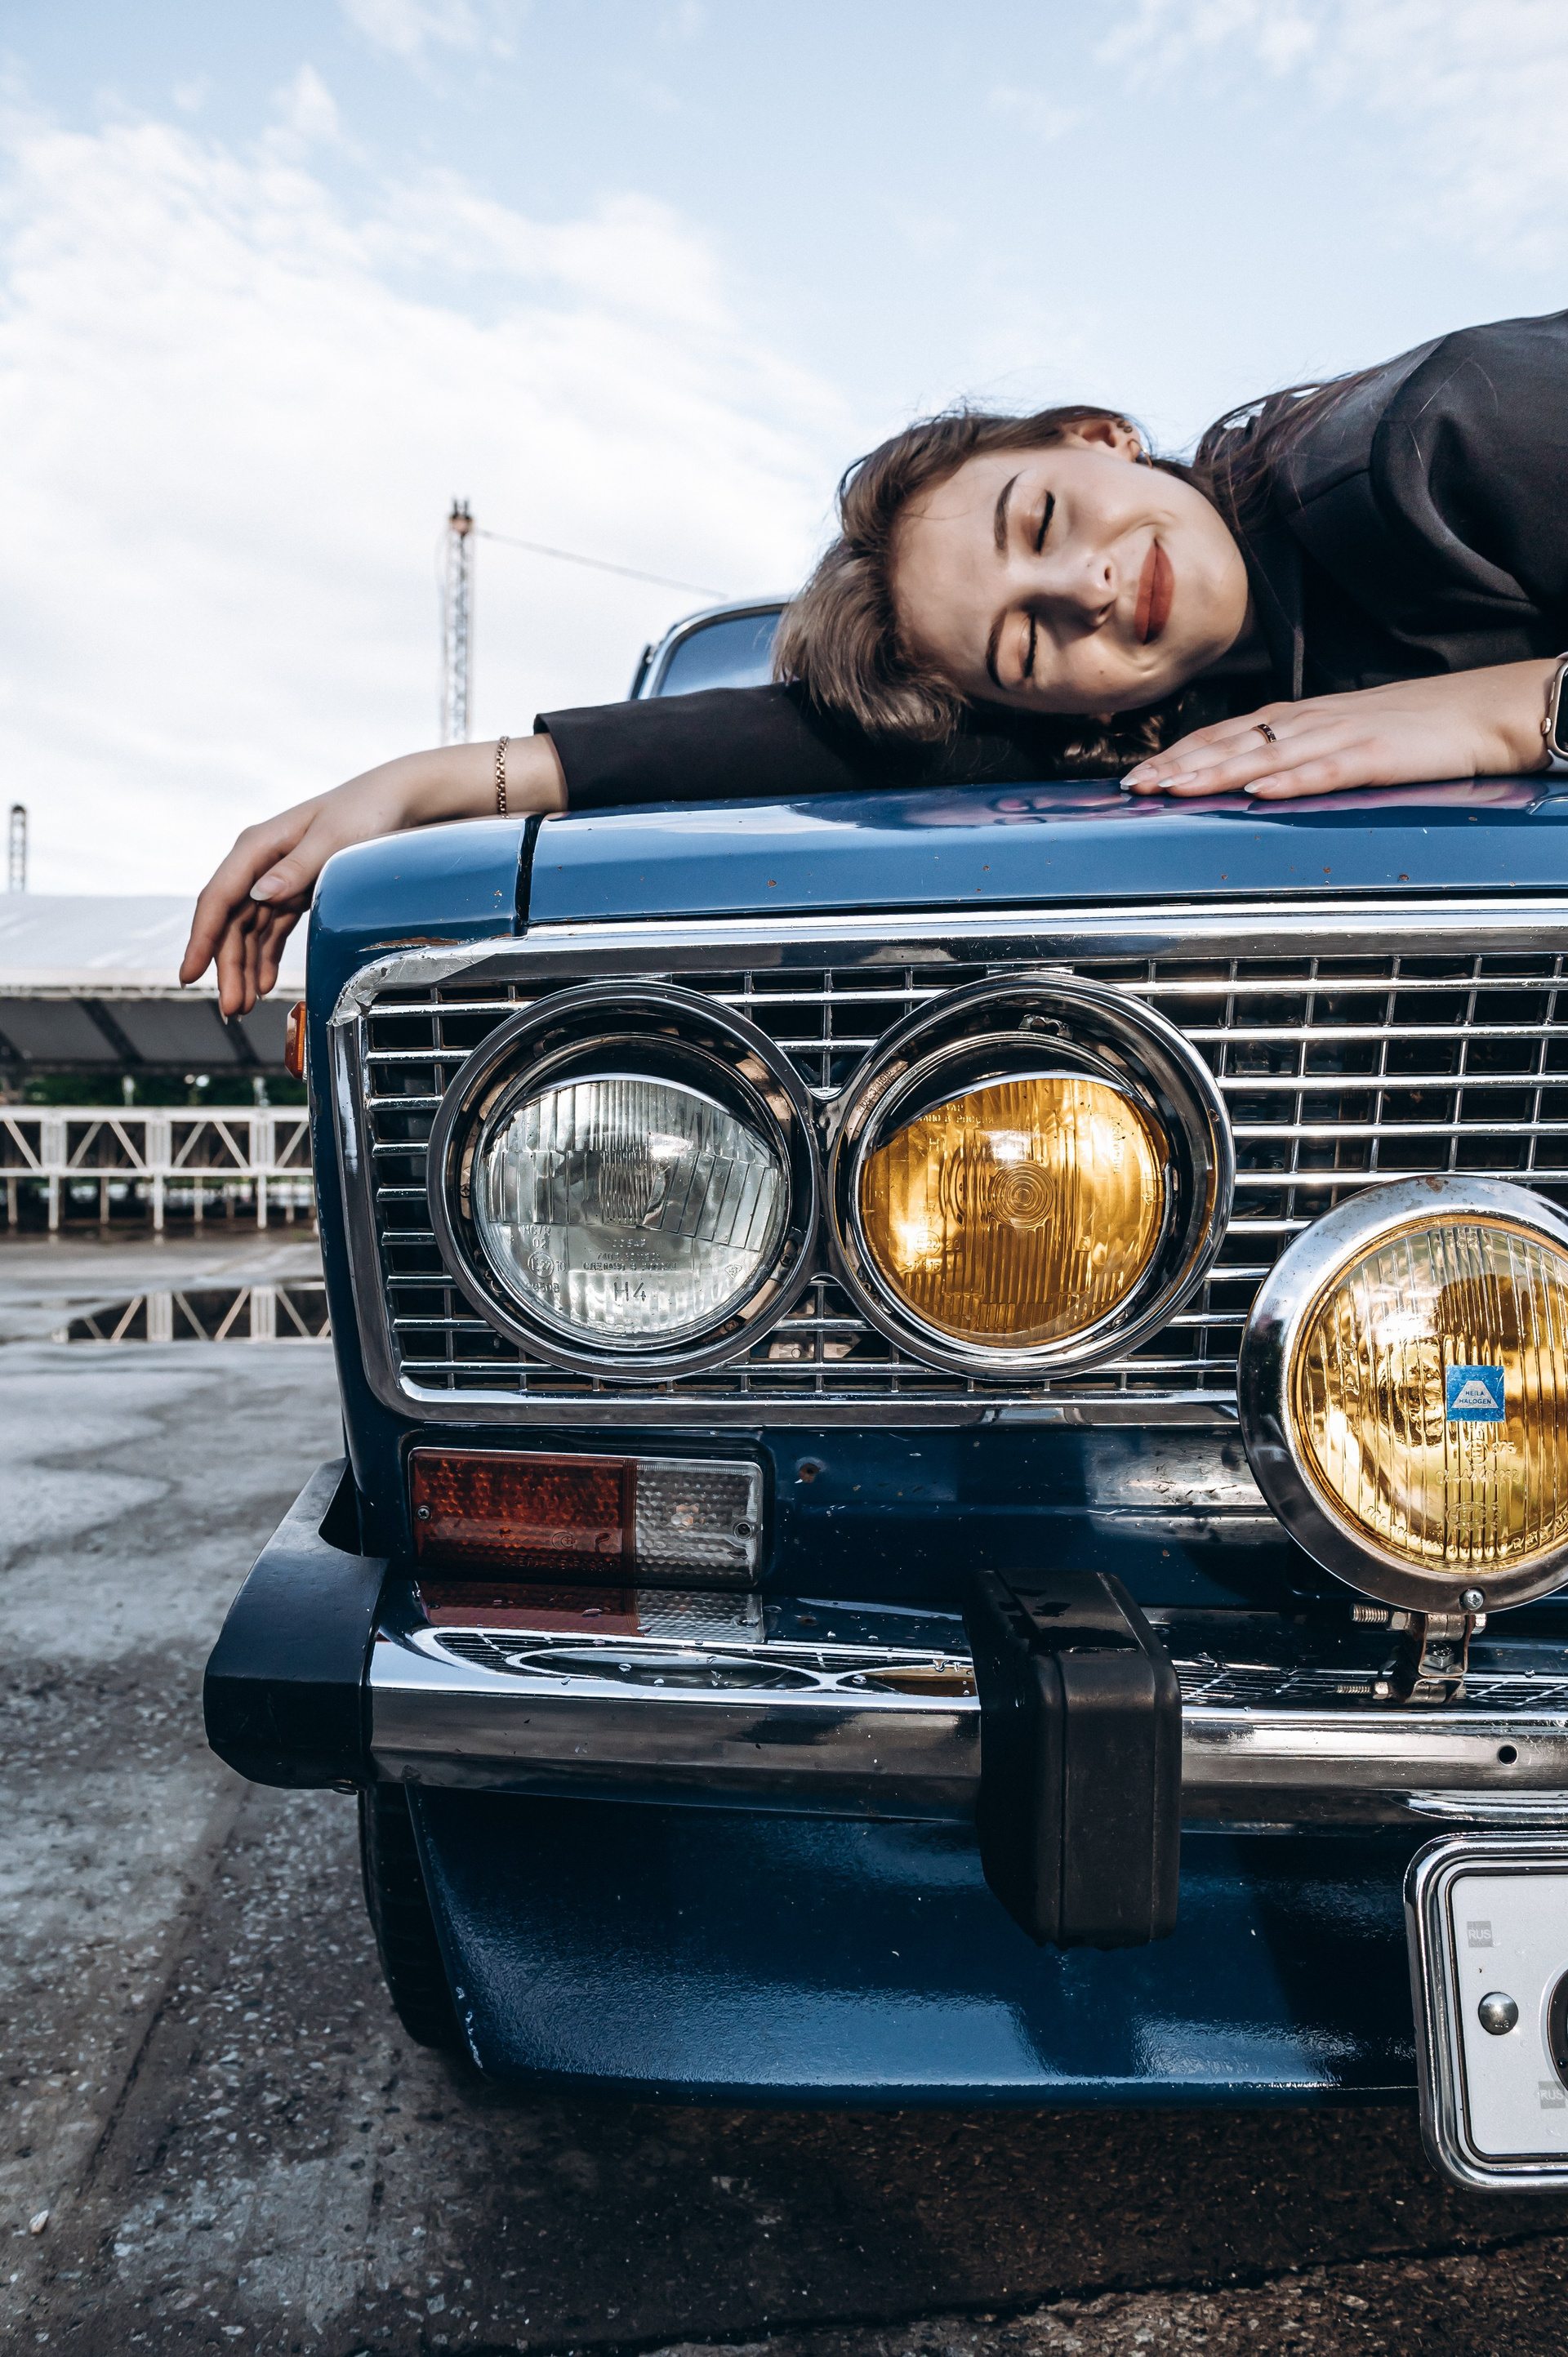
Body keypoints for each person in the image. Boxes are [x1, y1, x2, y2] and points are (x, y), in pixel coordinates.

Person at [184, 309, 1568, 1016]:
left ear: (1098, 437)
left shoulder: (1440, 442)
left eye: (1042, 520)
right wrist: (410, 790)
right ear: (1050, 715)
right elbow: (803, 749)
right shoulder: (1166, 729)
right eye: (1026, 641)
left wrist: (1523, 712)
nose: (1084, 589)